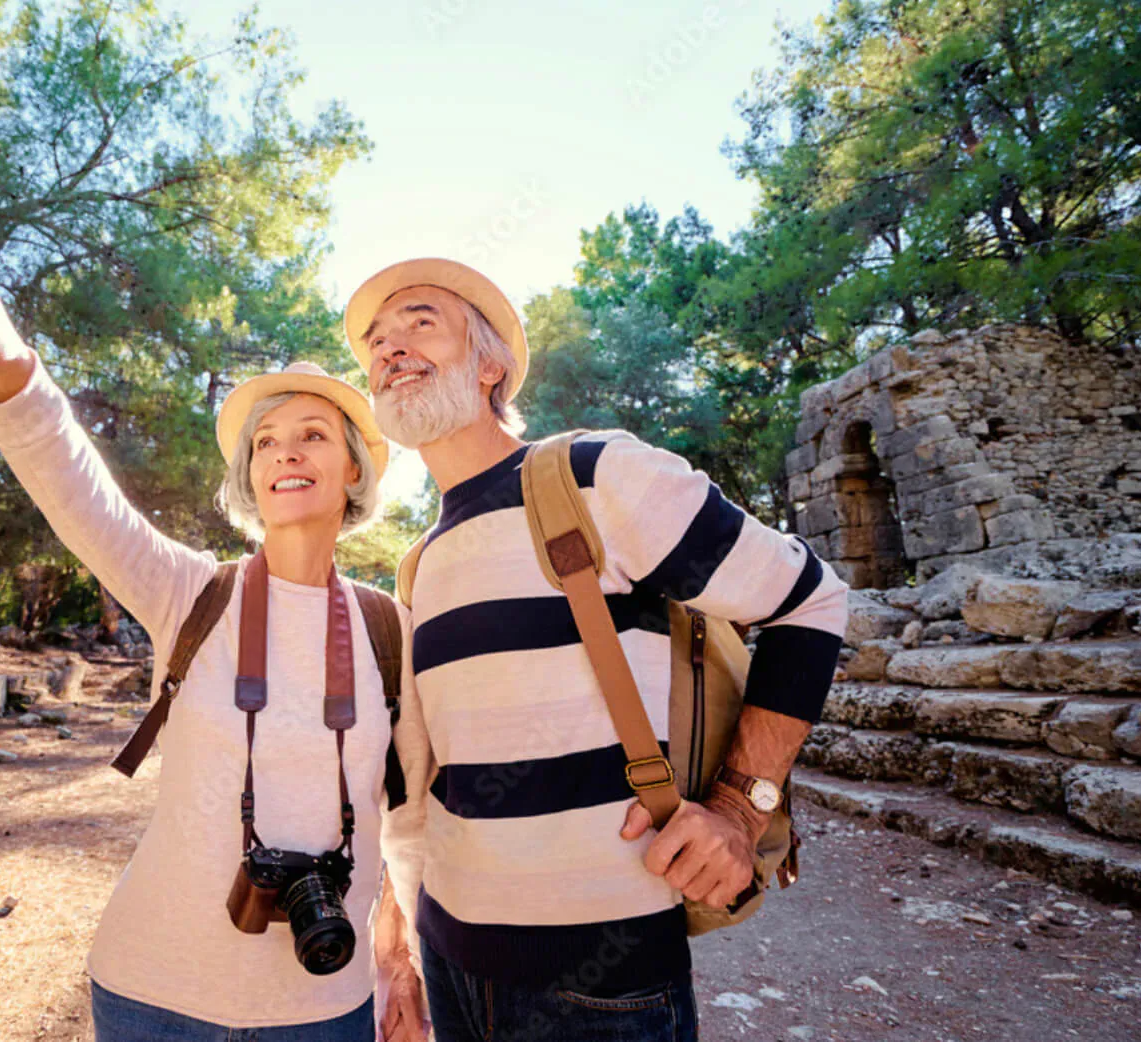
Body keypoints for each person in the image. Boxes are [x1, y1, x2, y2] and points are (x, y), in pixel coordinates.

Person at [0, 146, 428, 1042]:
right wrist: (0, 349)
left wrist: (397, 952)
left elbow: (412, 818)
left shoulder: (393, 629)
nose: (286, 450)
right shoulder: (189, 594)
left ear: (353, 468)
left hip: (326, 1006)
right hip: (152, 995)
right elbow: (69, 480)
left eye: (314, 433)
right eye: (267, 440)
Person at [353, 258, 850, 1041]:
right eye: (376, 342)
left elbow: (810, 599)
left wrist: (739, 808)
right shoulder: (420, 563)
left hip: (602, 983)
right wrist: (403, 946)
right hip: (448, 957)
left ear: (492, 366)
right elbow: (422, 790)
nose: (389, 349)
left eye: (420, 322)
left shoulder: (593, 476)